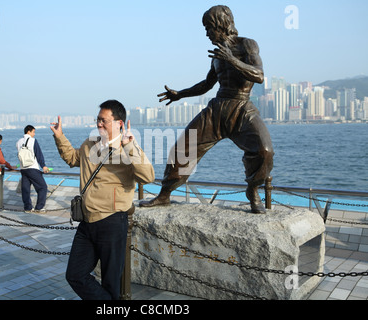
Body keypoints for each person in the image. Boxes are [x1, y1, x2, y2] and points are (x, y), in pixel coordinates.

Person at [140, 5, 274, 214]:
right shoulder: (217, 55)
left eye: (209, 28)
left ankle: (253, 189)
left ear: (221, 25)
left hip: (242, 108)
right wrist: (180, 94)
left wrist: (231, 59)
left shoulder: (247, 45)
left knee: (264, 152)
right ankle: (164, 195)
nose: (206, 34)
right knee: (182, 149)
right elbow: (207, 84)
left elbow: (259, 75)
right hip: (218, 109)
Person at [51, 100, 154, 300]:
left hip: (112, 221)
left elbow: (148, 176)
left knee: (110, 282)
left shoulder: (128, 148)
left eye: (104, 121)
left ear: (119, 123)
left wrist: (130, 146)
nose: (99, 124)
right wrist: (60, 137)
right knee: (75, 275)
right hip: (87, 221)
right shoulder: (90, 144)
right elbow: (73, 158)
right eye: (98, 120)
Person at [16, 125, 49, 213]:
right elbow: (38, 154)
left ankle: (28, 208)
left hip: (23, 168)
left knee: (26, 189)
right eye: (33, 132)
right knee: (42, 187)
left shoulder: (19, 142)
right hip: (32, 167)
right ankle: (39, 207)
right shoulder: (33, 141)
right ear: (29, 131)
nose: (34, 134)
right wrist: (43, 166)